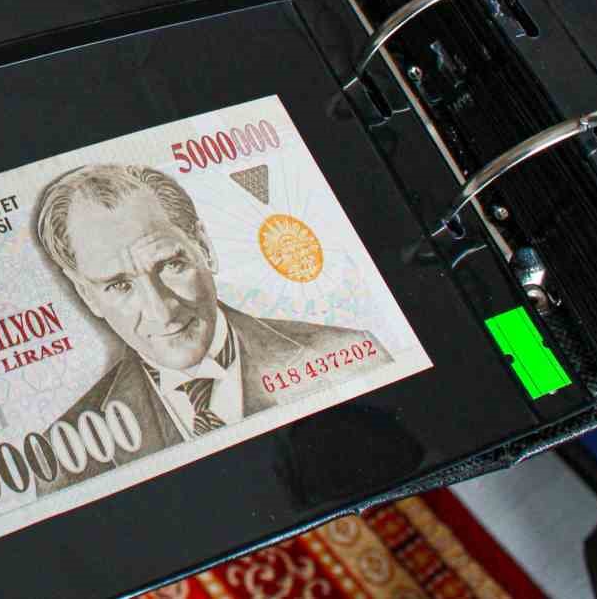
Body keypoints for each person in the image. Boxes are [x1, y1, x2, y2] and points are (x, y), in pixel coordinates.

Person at [32, 164, 389, 493]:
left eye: (170, 265)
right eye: (119, 286)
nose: (161, 311)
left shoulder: (352, 355)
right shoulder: (64, 459)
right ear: (87, 295)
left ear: (203, 247)